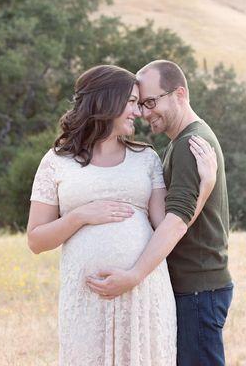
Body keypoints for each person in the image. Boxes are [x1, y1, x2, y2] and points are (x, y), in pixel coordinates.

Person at [26, 64, 217, 365]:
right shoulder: (56, 162)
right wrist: (81, 216)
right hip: (87, 300)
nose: (138, 112)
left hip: (144, 295)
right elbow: (36, 240)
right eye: (131, 102)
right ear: (105, 102)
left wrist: (203, 189)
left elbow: (168, 227)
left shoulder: (146, 159)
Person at [85, 60, 233, 366]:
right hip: (193, 288)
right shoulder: (180, 142)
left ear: (179, 94)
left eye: (151, 101)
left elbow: (176, 222)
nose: (144, 112)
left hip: (197, 289)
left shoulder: (190, 144)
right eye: (140, 104)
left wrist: (134, 275)